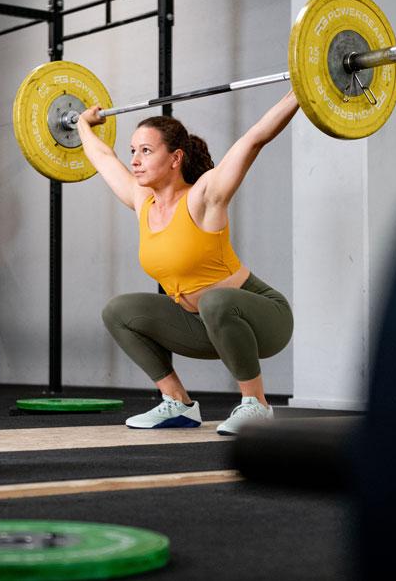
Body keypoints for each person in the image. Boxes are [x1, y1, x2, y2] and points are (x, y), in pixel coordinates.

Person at [76, 89, 298, 435]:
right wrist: (81, 126)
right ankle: (177, 403)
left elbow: (254, 139)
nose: (134, 159)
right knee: (118, 311)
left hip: (264, 319)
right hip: (204, 325)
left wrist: (300, 92)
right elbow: (103, 158)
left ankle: (256, 404)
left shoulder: (204, 196)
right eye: (133, 151)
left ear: (175, 158)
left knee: (215, 300)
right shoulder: (143, 202)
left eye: (146, 151)